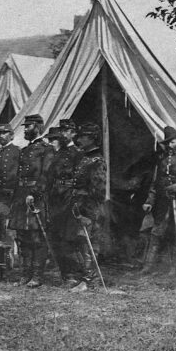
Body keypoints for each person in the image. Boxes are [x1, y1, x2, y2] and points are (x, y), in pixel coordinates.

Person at [140, 125, 176, 276]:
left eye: (172, 142)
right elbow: (155, 183)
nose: (170, 146)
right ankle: (148, 266)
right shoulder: (161, 160)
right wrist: (149, 201)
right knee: (156, 232)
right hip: (163, 203)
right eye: (167, 143)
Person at [7, 114, 53, 288]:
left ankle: (37, 276)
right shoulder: (25, 150)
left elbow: (46, 175)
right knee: (22, 237)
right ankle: (24, 275)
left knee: (36, 237)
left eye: (28, 126)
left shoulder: (46, 149)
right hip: (21, 197)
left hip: (36, 198)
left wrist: (35, 193)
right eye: (25, 127)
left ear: (38, 127)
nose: (25, 129)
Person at [67, 123, 107, 291]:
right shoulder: (84, 158)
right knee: (82, 242)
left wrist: (86, 213)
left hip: (90, 209)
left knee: (88, 243)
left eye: (83, 136)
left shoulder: (97, 161)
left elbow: (98, 191)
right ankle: (88, 277)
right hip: (80, 206)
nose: (79, 139)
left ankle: (88, 281)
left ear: (92, 138)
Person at [44, 121, 81, 281]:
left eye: (66, 131)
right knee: (56, 236)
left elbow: (81, 178)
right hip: (55, 199)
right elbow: (50, 176)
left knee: (69, 237)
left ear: (73, 133)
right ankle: (65, 273)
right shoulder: (58, 153)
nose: (63, 134)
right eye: (62, 131)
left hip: (69, 198)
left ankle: (75, 273)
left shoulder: (78, 153)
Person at [0, 123, 20, 243]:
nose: (1, 136)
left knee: (9, 227)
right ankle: (1, 254)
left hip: (10, 196)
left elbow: (19, 175)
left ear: (11, 136)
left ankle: (9, 255)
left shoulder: (17, 152)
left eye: (4, 133)